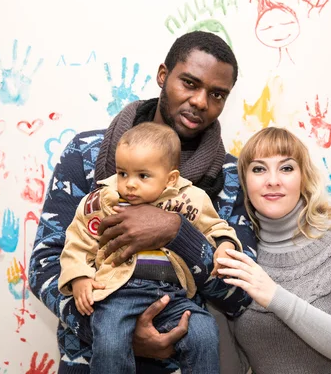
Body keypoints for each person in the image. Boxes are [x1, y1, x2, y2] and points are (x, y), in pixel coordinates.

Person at [28, 31, 257, 374]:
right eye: (189, 83)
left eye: (217, 94)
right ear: (163, 76)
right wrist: (114, 333)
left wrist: (176, 231)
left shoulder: (227, 174)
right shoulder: (87, 153)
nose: (200, 101)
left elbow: (239, 294)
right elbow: (45, 263)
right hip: (89, 359)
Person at [59, 122, 242, 373]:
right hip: (117, 294)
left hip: (173, 296)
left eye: (142, 176)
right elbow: (78, 242)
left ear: (171, 178)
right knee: (111, 342)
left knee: (204, 332)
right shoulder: (103, 201)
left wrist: (224, 245)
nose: (130, 184)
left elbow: (215, 227)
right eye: (123, 173)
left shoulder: (191, 199)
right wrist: (79, 276)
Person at [216, 127, 331, 374]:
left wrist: (275, 296)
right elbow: (234, 366)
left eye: (286, 168)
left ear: (303, 177)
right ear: (244, 183)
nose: (273, 180)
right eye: (258, 169)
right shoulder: (236, 256)